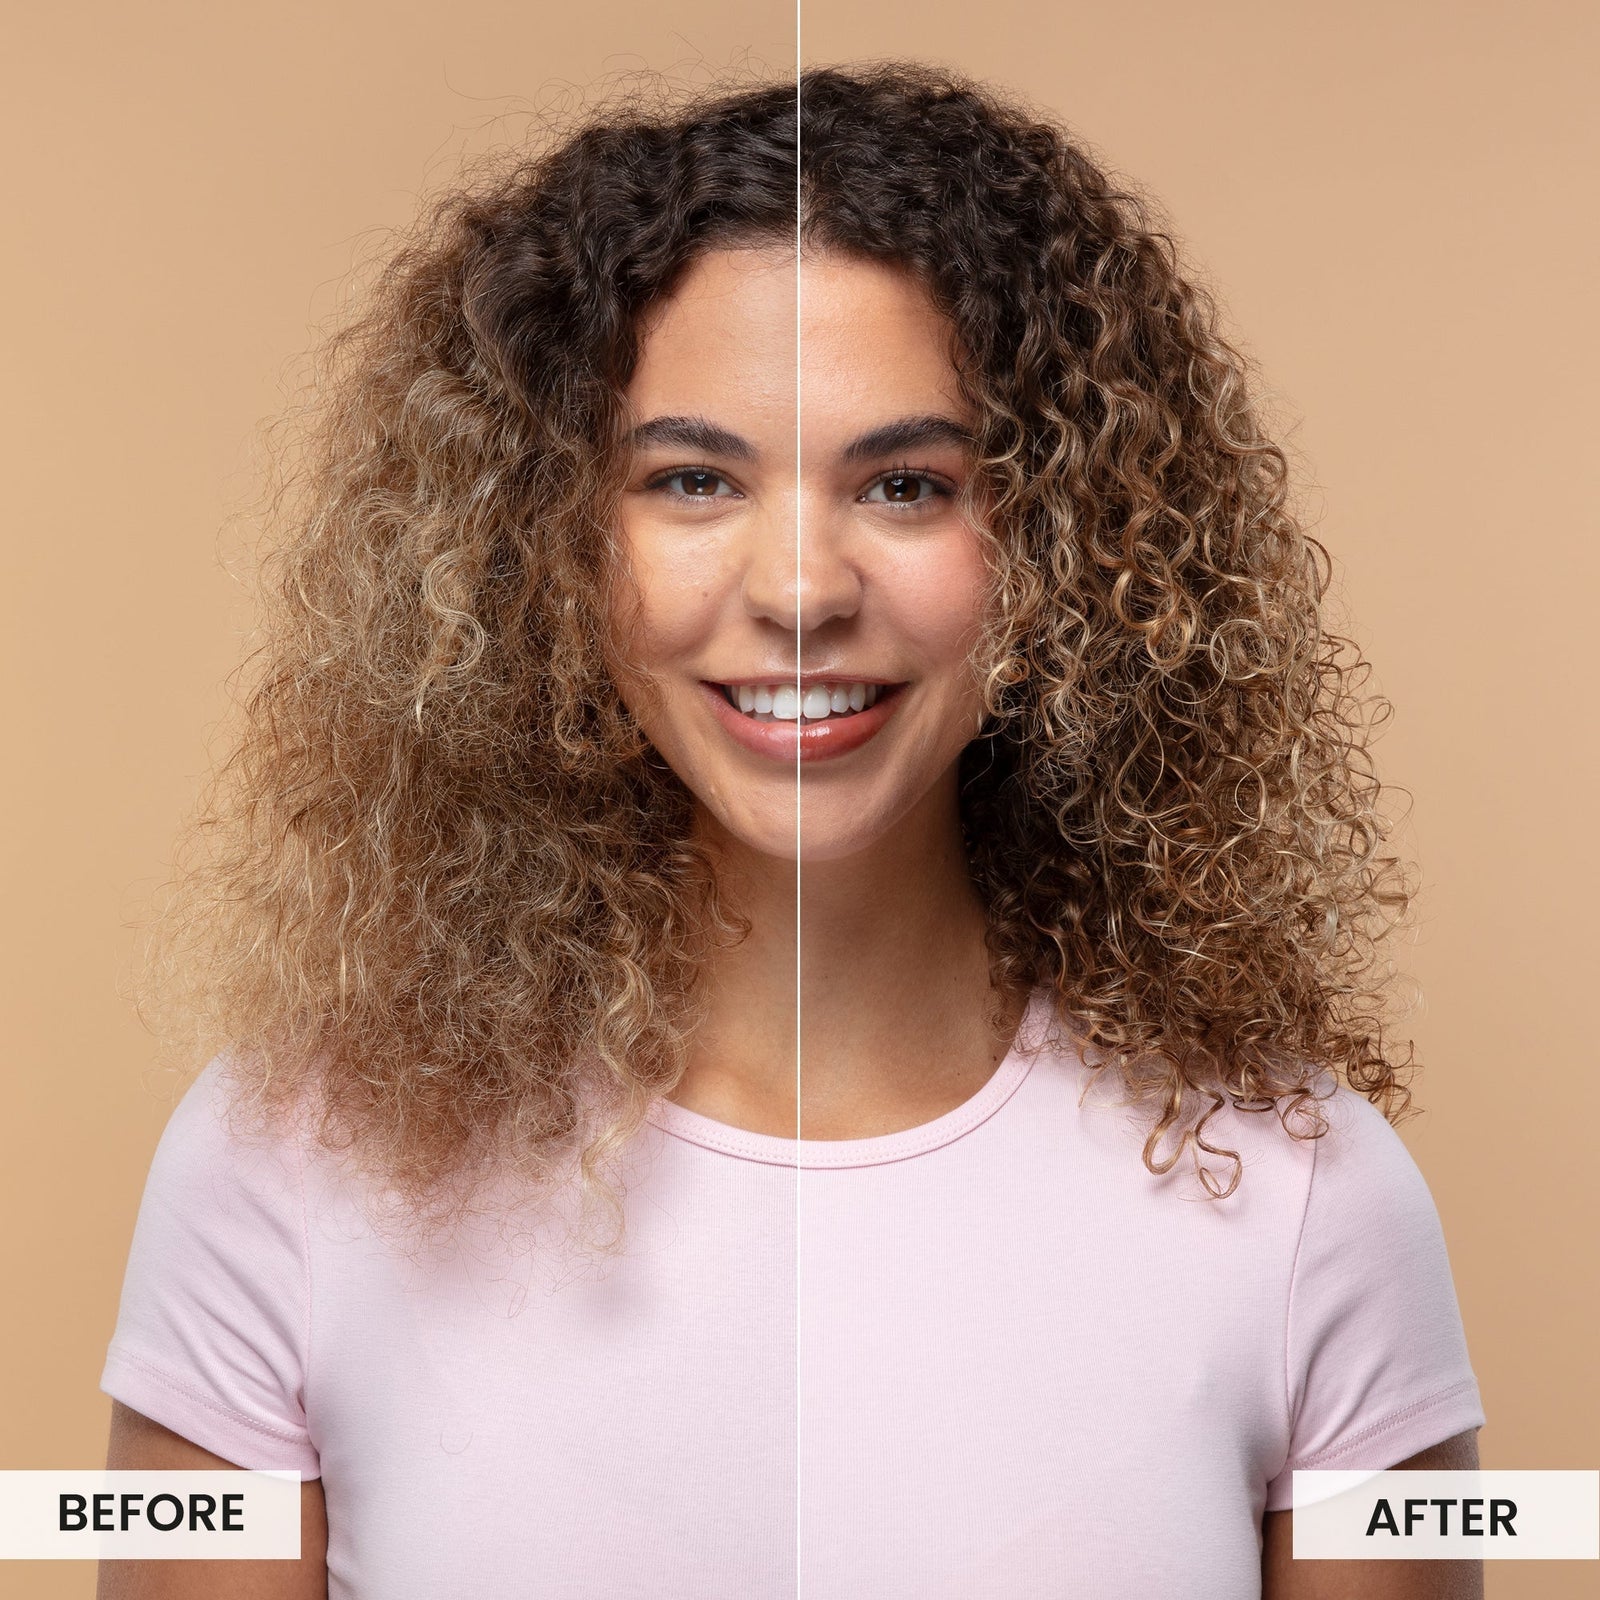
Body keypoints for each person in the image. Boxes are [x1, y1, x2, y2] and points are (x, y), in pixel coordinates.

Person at [99, 64, 1486, 1599]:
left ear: (1067, 552)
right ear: (545, 547)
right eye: (693, 479)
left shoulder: (1310, 1204)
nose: (803, 589)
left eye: (906, 483)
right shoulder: (285, 1166)